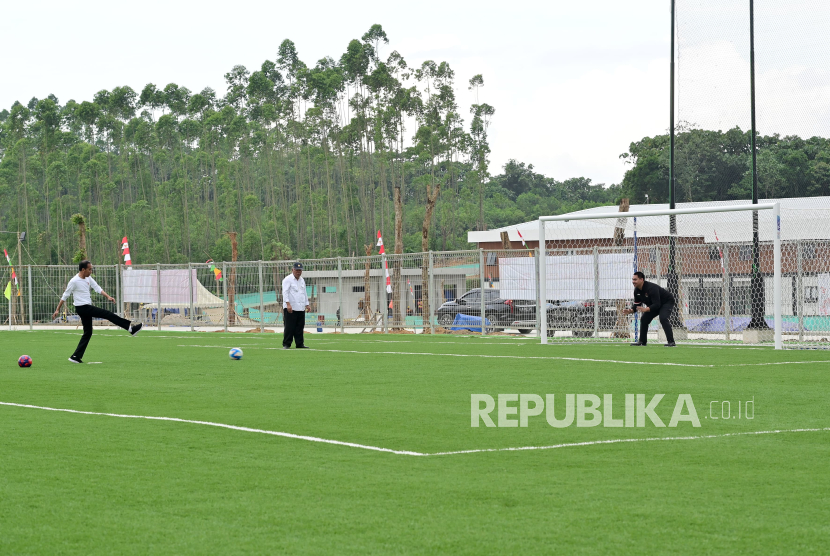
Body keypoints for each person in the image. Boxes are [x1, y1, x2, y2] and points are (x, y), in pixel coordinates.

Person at [53, 260, 142, 363]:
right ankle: (130, 328)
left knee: (88, 332)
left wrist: (108, 296)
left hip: (86, 307)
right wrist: (57, 309)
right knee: (107, 314)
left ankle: (75, 357)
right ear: (83, 269)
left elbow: (97, 288)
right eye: (89, 269)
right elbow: (65, 295)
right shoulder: (74, 281)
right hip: (83, 308)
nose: (91, 271)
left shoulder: (88, 278)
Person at [622, 271, 676, 347]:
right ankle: (642, 342)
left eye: (635, 280)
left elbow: (657, 304)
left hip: (666, 302)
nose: (633, 282)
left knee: (663, 318)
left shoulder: (651, 288)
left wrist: (646, 309)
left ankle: (671, 342)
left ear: (642, 280)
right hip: (654, 305)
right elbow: (637, 305)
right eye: (633, 280)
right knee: (644, 319)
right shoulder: (636, 291)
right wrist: (631, 310)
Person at [282, 262, 310, 349]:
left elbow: (304, 293)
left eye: (300, 270)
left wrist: (307, 304)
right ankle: (287, 344)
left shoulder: (302, 280)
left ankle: (300, 344)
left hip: (300, 307)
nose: (298, 272)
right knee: (289, 327)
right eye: (297, 270)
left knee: (300, 326)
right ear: (292, 270)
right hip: (291, 307)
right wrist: (288, 304)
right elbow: (285, 292)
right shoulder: (287, 279)